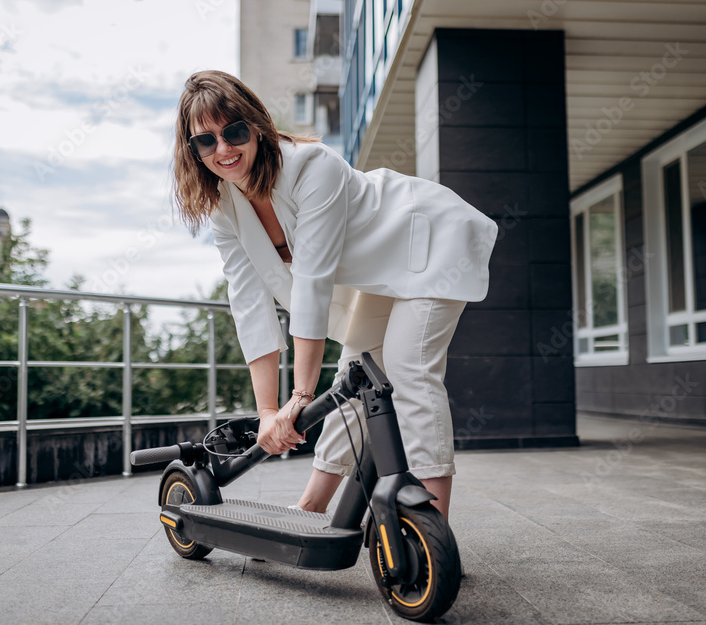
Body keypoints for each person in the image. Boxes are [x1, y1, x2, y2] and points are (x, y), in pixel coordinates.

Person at [173, 70, 497, 520]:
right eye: (206, 141)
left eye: (234, 131)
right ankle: (311, 506)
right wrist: (268, 411)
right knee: (354, 377)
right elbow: (249, 305)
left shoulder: (311, 165)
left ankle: (432, 529)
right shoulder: (226, 209)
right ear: (192, 151)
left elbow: (311, 281)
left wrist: (299, 398)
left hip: (428, 241)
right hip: (381, 270)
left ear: (257, 127)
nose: (223, 149)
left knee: (407, 370)